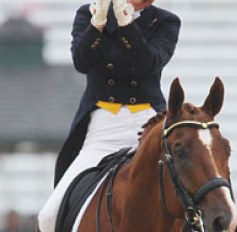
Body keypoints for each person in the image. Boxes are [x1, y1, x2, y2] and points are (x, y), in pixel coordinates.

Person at [38, 0, 180, 231]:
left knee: (188, 200)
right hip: (103, 128)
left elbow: (148, 63)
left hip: (148, 125)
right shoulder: (88, 13)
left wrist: (126, 25)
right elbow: (81, 62)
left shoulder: (165, 21)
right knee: (47, 216)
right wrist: (97, 25)